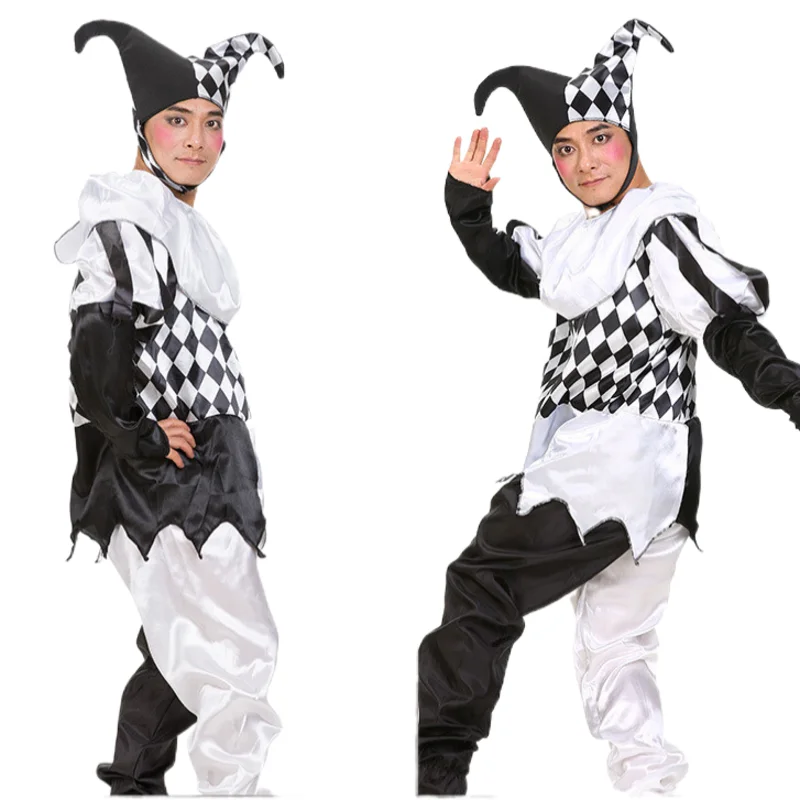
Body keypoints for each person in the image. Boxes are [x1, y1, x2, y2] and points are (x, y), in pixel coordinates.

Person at [417, 18, 800, 796]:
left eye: (600, 139)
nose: (584, 162)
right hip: (654, 489)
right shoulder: (578, 240)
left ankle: (439, 772)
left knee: (482, 583)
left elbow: (725, 323)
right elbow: (515, 265)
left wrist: (787, 388)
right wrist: (468, 208)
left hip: (616, 466)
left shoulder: (659, 229)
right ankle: (650, 783)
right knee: (615, 647)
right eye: (565, 149)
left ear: (630, 134)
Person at [54, 20, 285, 796]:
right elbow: (96, 344)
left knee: (186, 641)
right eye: (177, 120)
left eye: (211, 122)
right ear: (142, 127)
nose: (196, 140)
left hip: (213, 460)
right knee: (233, 644)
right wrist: (140, 435)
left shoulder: (180, 226)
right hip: (165, 474)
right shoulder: (129, 222)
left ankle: (134, 781)